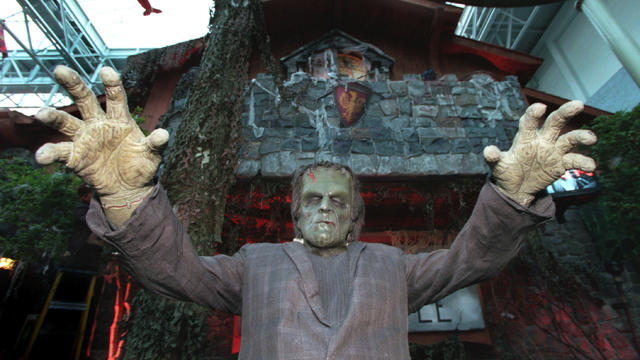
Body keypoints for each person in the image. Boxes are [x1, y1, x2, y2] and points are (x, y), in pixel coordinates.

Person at [34, 65, 597, 359]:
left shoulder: (393, 269)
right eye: (312, 198)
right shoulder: (253, 265)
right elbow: (175, 272)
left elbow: (472, 258)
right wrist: (126, 199)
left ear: (356, 218)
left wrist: (513, 197)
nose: (324, 207)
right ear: (293, 216)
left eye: (337, 200)